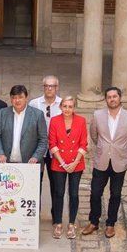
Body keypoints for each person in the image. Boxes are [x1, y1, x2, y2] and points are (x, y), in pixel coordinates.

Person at [82, 87, 127, 239]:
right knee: (95, 192)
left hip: (119, 161)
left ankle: (110, 224)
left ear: (120, 98)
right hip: (101, 159)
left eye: (115, 96)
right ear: (106, 99)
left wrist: (121, 149)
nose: (112, 99)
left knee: (115, 194)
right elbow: (94, 135)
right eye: (109, 97)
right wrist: (103, 147)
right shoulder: (97, 115)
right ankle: (93, 221)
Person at [48, 96, 87, 239]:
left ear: (74, 108)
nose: (67, 109)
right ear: (60, 107)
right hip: (59, 163)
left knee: (74, 193)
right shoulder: (54, 121)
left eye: (70, 106)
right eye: (65, 106)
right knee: (58, 192)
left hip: (76, 163)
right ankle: (58, 223)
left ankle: (71, 224)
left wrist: (74, 163)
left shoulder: (81, 121)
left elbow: (83, 144)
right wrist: (63, 163)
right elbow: (52, 143)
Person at [29, 75, 62, 216]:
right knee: (35, 185)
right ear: (43, 87)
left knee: (57, 186)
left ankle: (56, 217)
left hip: (56, 152)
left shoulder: (62, 104)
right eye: (47, 86)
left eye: (52, 86)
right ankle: (34, 216)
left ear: (57, 88)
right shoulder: (34, 103)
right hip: (38, 151)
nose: (49, 88)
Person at [0, 85, 48, 166]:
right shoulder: (3, 113)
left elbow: (43, 140)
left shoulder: (37, 115)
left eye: (20, 97)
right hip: (6, 164)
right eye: (14, 97)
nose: (17, 100)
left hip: (30, 164)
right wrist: (0, 154)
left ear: (26, 98)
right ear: (11, 99)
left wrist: (35, 157)